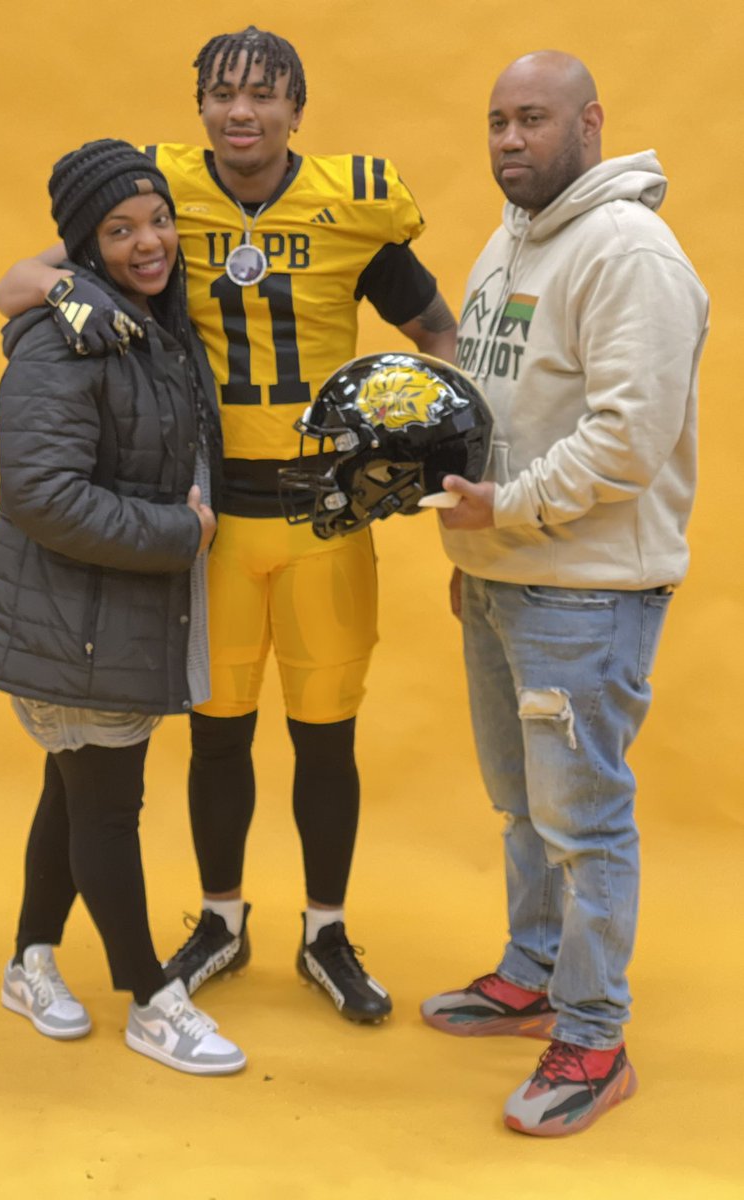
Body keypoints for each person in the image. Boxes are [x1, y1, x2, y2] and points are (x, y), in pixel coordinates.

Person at [0, 26, 458, 1024]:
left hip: (327, 514)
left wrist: (427, 431)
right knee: (219, 735)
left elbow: (435, 331)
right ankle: (222, 918)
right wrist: (69, 285)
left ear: (300, 107)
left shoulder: (351, 201)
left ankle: (325, 930)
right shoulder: (154, 197)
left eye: (264, 93)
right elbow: (16, 284)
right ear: (197, 103)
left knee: (327, 737)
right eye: (222, 93)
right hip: (213, 522)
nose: (241, 111)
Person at [420, 52, 709, 1135]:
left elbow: (628, 440)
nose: (508, 139)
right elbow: (500, 406)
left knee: (583, 821)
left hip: (586, 592)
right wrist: (477, 558)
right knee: (522, 805)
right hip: (507, 577)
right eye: (496, 119)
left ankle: (592, 1040)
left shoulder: (627, 251)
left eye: (532, 119)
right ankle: (534, 972)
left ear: (589, 122)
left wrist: (505, 516)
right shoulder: (514, 237)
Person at [0, 138, 246, 1076]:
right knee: (107, 809)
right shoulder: (66, 335)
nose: (149, 242)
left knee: (73, 783)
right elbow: (42, 494)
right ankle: (151, 999)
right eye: (118, 230)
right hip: (74, 618)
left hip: (106, 614)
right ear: (83, 247)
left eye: (158, 220)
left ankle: (29, 961)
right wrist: (184, 532)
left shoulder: (139, 316)